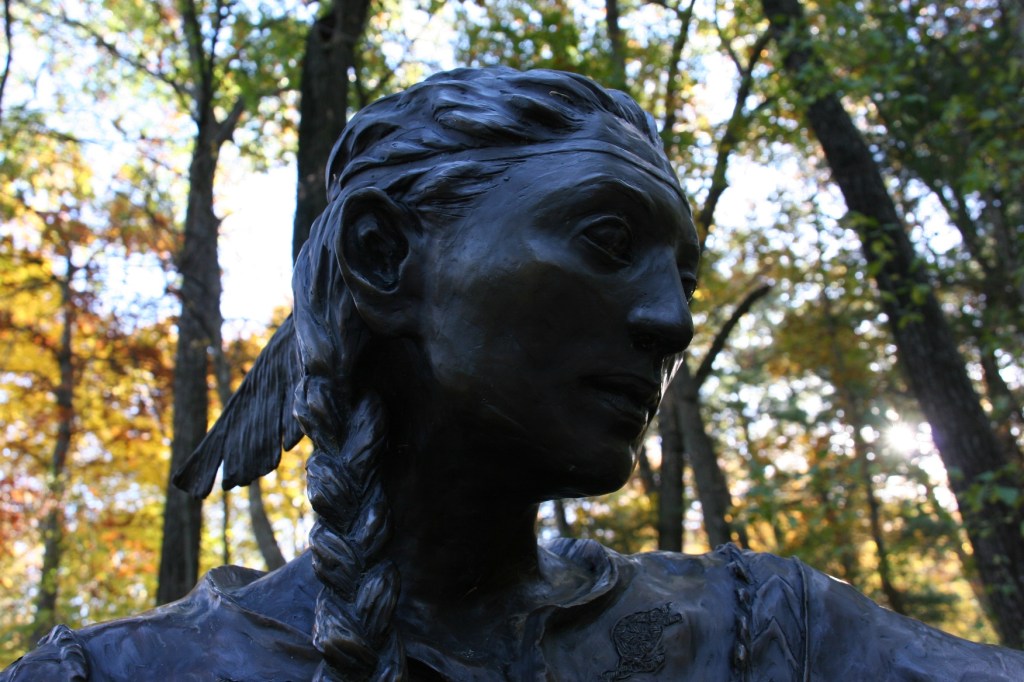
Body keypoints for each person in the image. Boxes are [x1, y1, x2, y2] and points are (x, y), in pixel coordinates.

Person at [4, 67, 1023, 681]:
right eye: (606, 236)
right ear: (382, 257)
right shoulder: (115, 673)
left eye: (684, 274)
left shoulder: (771, 638)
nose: (670, 320)